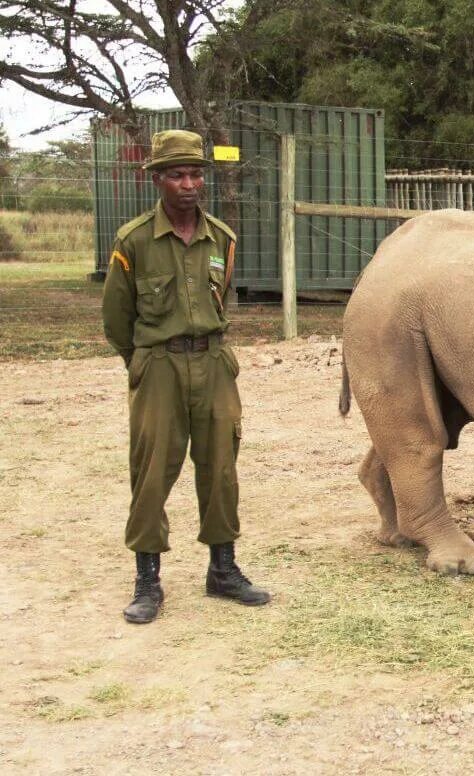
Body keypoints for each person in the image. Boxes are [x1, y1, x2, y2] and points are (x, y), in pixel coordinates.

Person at [102, 130, 270, 624]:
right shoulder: (132, 241)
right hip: (159, 366)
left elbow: (221, 300)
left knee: (220, 466)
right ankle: (147, 581)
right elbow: (117, 319)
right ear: (158, 180)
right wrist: (142, 364)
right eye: (176, 174)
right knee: (152, 471)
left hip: (215, 362)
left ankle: (223, 569)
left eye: (196, 174)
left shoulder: (222, 238)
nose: (189, 183)